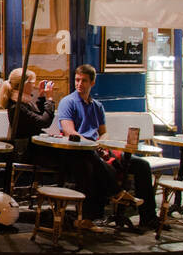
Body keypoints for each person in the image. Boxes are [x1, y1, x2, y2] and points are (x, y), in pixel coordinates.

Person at [54, 63, 157, 231]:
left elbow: (104, 133)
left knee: (142, 165)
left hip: (97, 148)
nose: (79, 84)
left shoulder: (97, 106)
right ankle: (116, 193)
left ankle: (149, 217)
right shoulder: (68, 102)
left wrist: (102, 143)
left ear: (92, 83)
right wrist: (93, 145)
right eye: (77, 80)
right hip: (78, 151)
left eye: (84, 81)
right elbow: (68, 131)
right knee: (92, 163)